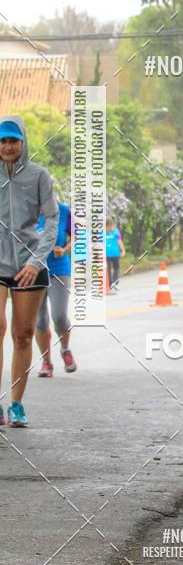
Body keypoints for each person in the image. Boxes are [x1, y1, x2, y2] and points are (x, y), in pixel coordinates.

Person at [0, 116, 58, 428]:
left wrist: (36, 261)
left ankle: (16, 404)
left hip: (29, 264)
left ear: (23, 142)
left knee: (22, 335)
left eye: (13, 140)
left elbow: (51, 220)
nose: (8, 146)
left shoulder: (38, 176)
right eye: (3, 140)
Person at [36, 200, 77, 377]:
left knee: (59, 316)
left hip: (59, 269)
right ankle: (46, 363)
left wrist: (65, 249)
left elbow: (77, 235)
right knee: (40, 320)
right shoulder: (27, 210)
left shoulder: (64, 211)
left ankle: (65, 349)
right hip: (33, 271)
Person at [105, 218, 125, 292]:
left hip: (115, 253)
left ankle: (115, 282)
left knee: (116, 268)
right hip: (106, 254)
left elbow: (119, 241)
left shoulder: (116, 232)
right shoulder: (101, 232)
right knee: (108, 269)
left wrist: (123, 250)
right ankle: (110, 283)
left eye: (112, 226)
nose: (111, 228)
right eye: (109, 227)